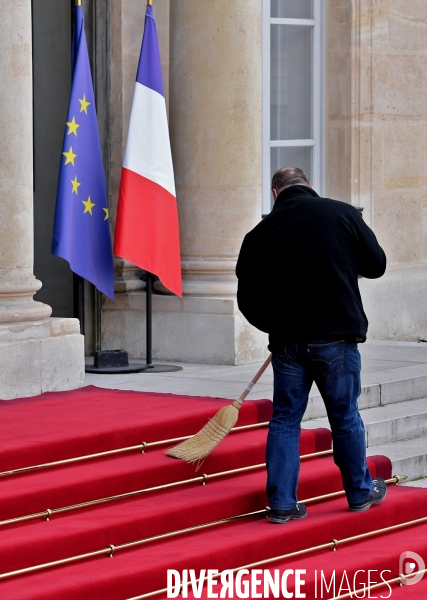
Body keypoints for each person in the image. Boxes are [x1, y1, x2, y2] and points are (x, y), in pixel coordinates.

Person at [236, 166, 387, 524]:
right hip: (337, 338)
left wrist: (273, 326)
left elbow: (246, 297)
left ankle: (283, 504)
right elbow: (376, 264)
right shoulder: (342, 214)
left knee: (285, 420)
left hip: (288, 343)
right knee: (345, 416)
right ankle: (359, 493)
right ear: (310, 186)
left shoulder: (260, 232)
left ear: (276, 194)